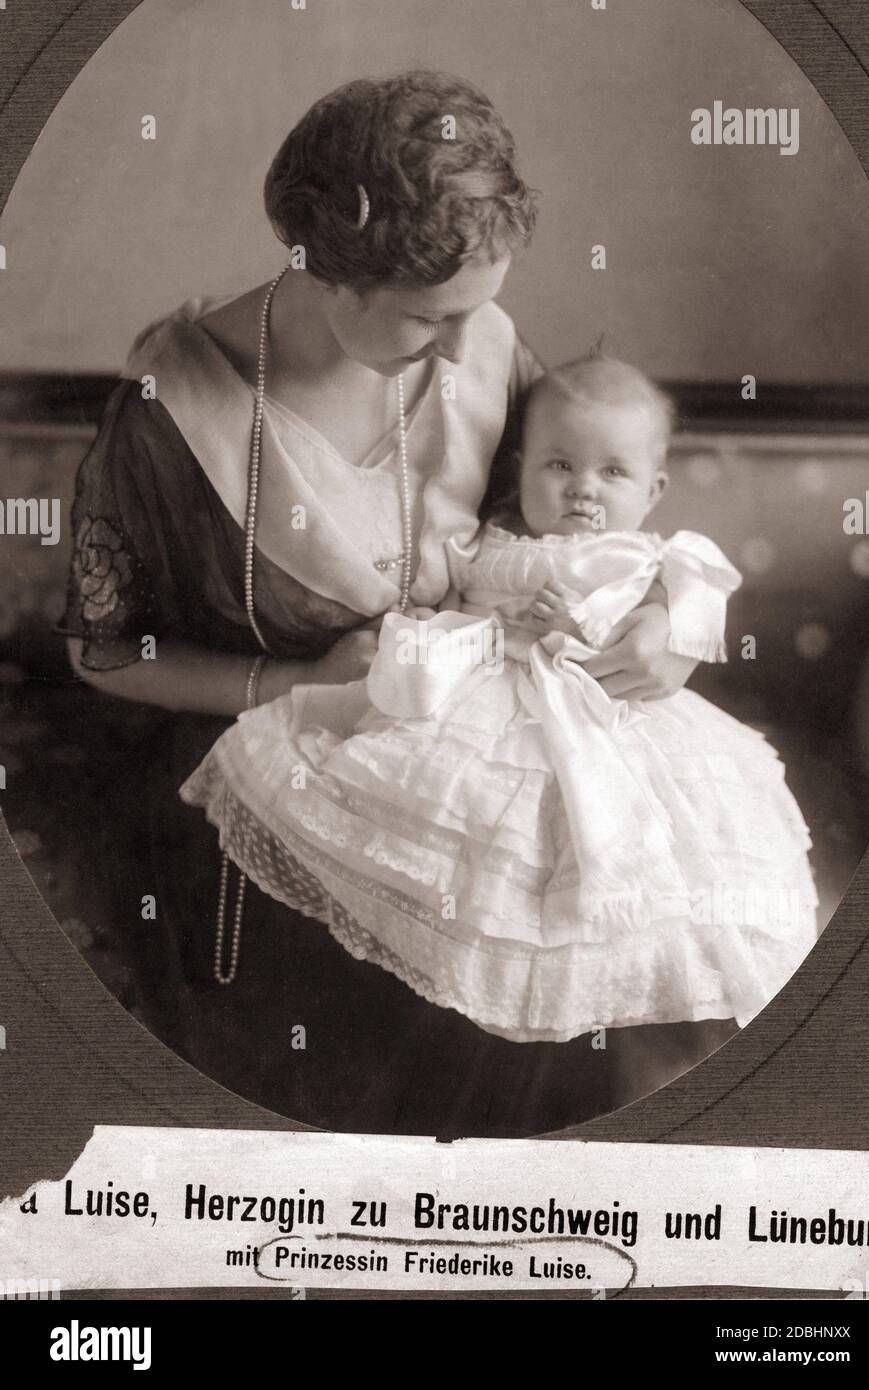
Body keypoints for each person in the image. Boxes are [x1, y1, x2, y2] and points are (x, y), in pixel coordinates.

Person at [60, 70, 707, 1137]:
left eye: (479, 306)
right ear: (325, 274)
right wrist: (300, 679)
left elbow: (600, 521)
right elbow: (103, 649)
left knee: (568, 997)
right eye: (427, 318)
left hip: (483, 791)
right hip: (263, 801)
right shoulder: (174, 414)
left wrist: (668, 617)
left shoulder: (484, 344)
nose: (464, 345)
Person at [182, 355, 820, 1062]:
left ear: (654, 488)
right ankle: (432, 1004)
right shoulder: (483, 538)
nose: (583, 489)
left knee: (631, 841)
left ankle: (598, 1004)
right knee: (452, 825)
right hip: (480, 696)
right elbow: (438, 601)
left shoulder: (645, 557)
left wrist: (588, 626)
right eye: (559, 465)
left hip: (598, 714)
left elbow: (681, 620)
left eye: (613, 473)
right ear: (518, 468)